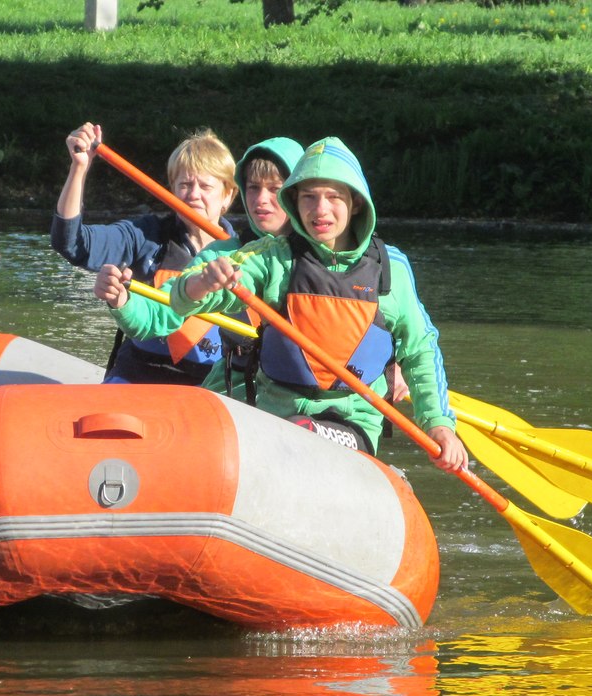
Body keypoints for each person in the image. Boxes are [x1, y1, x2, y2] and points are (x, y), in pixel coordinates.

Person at [169, 136, 468, 470]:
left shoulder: (391, 269)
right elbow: (182, 301)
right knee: (284, 431)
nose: (320, 209)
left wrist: (438, 424)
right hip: (273, 416)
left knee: (300, 431)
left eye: (333, 197)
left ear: (356, 203)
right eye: (309, 197)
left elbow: (420, 349)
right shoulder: (274, 257)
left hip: (352, 424)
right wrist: (201, 284)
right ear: (295, 203)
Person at [93, 137, 304, 400]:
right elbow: (161, 312)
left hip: (300, 398)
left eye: (275, 189)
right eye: (253, 187)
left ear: (296, 194)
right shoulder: (222, 254)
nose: (261, 199)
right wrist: (122, 302)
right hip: (242, 394)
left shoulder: (325, 257)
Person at [52, 123, 239, 384]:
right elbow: (71, 243)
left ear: (228, 195)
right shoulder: (145, 235)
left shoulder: (245, 252)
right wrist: (79, 168)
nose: (193, 195)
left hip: (211, 383)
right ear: (172, 190)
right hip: (139, 373)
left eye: (205, 187)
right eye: (184, 184)